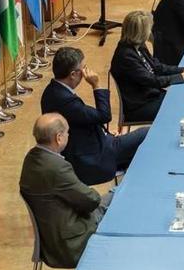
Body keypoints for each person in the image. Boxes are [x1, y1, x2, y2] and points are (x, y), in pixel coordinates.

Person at [41, 47, 148, 186]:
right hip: (93, 156)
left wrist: (105, 132)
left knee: (140, 146)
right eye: (83, 68)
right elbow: (104, 115)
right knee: (147, 134)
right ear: (73, 74)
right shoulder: (65, 100)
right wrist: (96, 85)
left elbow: (83, 120)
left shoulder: (51, 90)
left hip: (92, 142)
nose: (86, 72)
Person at [20, 114, 112, 268]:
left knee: (113, 196)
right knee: (116, 199)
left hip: (50, 243)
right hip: (71, 245)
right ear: (59, 137)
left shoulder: (31, 158)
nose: (69, 135)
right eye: (67, 132)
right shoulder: (57, 168)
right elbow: (91, 201)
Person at [111, 11, 184, 122]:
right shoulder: (125, 56)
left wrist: (182, 69)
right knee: (183, 105)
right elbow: (152, 80)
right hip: (140, 106)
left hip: (152, 96)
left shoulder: (138, 45)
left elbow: (157, 67)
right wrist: (182, 76)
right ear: (141, 32)